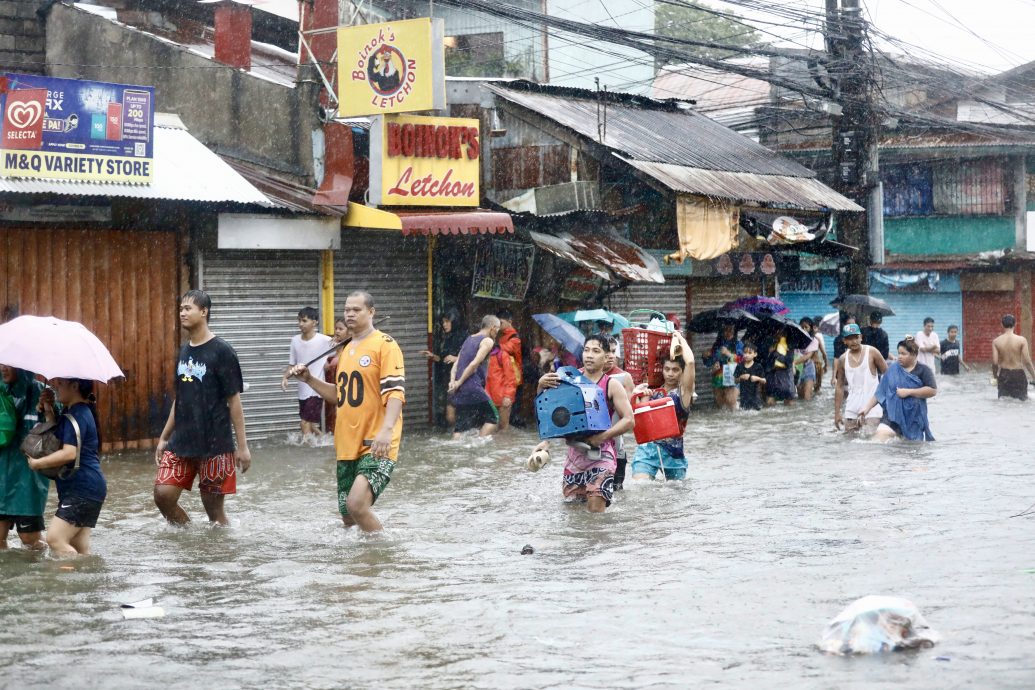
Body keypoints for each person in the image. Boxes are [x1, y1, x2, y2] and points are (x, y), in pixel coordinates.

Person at [291, 291, 404, 532]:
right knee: (348, 519)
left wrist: (386, 430)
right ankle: (356, 563)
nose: (350, 314)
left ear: (371, 312)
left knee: (357, 505)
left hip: (376, 443)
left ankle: (384, 557)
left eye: (357, 309)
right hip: (346, 445)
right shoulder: (345, 350)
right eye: (346, 310)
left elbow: (395, 393)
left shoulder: (385, 345)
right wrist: (309, 379)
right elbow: (339, 396)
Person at [154, 290, 251, 527]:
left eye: (188, 308)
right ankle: (188, 538)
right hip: (182, 441)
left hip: (215, 444)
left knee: (214, 513)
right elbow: (181, 399)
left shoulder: (222, 351)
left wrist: (243, 447)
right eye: (181, 309)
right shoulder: (184, 351)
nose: (182, 313)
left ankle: (215, 554)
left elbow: (234, 401)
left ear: (204, 312)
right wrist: (164, 437)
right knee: (162, 495)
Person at [533, 335, 634, 512]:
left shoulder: (611, 385)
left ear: (606, 356)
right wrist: (540, 385)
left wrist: (602, 437)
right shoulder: (568, 379)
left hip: (602, 455)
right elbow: (551, 411)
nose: (589, 355)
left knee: (595, 514)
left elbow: (629, 420)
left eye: (596, 351)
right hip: (574, 457)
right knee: (575, 516)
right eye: (586, 350)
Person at [28, 378, 105, 555]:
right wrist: (48, 412)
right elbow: (61, 437)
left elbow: (69, 453)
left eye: (60, 384)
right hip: (89, 487)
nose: (56, 387)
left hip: (82, 488)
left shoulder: (75, 415)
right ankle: (87, 578)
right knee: (78, 545)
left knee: (55, 539)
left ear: (75, 386)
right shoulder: (75, 412)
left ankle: (69, 581)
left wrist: (37, 463)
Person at [630, 332, 695, 480]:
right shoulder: (652, 391)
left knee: (675, 496)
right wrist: (641, 396)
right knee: (641, 489)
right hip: (648, 450)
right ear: (662, 369)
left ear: (682, 372)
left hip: (674, 452)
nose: (670, 373)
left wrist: (680, 338)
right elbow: (641, 422)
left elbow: (690, 362)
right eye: (667, 369)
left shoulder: (684, 393)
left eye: (675, 370)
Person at [0, 366, 49, 549]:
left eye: (8, 364)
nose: (3, 368)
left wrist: (49, 410)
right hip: (1, 477)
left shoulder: (42, 393)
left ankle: (42, 572)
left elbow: (58, 433)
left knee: (30, 540)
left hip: (28, 481)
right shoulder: (0, 392)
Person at [859, 337, 936, 442]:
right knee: (877, 440)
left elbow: (932, 391)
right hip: (892, 416)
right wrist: (866, 408)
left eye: (903, 354)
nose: (899, 357)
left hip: (913, 419)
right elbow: (880, 392)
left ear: (914, 354)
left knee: (911, 451)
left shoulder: (924, 370)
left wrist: (909, 392)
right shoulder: (892, 369)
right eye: (899, 353)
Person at [281, 306, 333, 440]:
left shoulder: (325, 340)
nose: (300, 324)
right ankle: (327, 443)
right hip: (302, 390)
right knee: (309, 424)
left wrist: (329, 365)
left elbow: (341, 350)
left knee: (304, 423)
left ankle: (307, 451)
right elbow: (292, 364)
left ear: (314, 322)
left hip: (316, 391)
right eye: (299, 321)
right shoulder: (295, 341)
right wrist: (285, 378)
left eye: (304, 321)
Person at [449, 315, 500, 439]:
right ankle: (479, 443)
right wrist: (459, 382)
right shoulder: (488, 341)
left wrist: (453, 382)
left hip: (460, 390)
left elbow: (456, 363)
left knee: (460, 427)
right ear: (493, 328)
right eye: (498, 329)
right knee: (494, 418)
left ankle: (456, 449)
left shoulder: (469, 339)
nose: (497, 333)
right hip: (474, 388)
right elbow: (474, 364)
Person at [833, 323, 888, 432]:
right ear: (844, 341)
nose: (854, 341)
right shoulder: (842, 359)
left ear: (861, 337)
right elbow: (839, 386)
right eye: (849, 338)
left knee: (871, 440)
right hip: (851, 406)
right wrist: (837, 413)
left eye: (856, 337)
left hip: (872, 406)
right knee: (850, 442)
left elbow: (889, 376)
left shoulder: (872, 352)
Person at [421, 308, 464, 430]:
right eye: (443, 322)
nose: (444, 324)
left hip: (460, 380)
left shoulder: (464, 336)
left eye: (447, 321)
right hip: (448, 380)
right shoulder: (446, 338)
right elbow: (443, 359)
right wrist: (432, 356)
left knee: (452, 415)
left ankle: (460, 435)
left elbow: (474, 359)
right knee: (450, 415)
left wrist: (456, 359)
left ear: (454, 321)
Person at [603, 335, 634, 489]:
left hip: (616, 449)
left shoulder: (623, 378)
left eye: (613, 351)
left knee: (615, 500)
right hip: (587, 450)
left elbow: (629, 418)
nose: (611, 356)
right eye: (606, 352)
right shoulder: (581, 376)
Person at [992, 314, 1035, 400]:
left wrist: (995, 376)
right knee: (1021, 403)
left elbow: (995, 363)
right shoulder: (1022, 340)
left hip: (1004, 375)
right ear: (1015, 324)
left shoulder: (996, 341)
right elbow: (1027, 362)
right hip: (1018, 375)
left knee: (1003, 402)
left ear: (1002, 325)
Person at [496, 309, 523, 429]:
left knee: (512, 415)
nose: (498, 326)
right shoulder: (501, 335)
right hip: (504, 379)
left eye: (500, 323)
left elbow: (506, 348)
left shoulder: (515, 338)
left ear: (509, 321)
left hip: (513, 381)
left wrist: (490, 345)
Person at [323, 317, 351, 435]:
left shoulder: (351, 349)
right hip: (330, 390)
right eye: (336, 328)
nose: (337, 331)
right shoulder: (332, 346)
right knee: (330, 420)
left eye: (341, 329)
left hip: (343, 391)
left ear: (349, 332)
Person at [705, 323, 742, 411]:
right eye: (726, 330)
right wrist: (706, 357)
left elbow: (743, 360)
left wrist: (729, 354)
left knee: (731, 401)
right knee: (720, 406)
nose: (728, 333)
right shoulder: (717, 345)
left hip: (732, 376)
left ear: (734, 332)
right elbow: (709, 363)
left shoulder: (738, 344)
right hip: (718, 377)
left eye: (731, 330)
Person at [486, 338, 517, 430]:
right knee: (493, 428)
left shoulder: (502, 355)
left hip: (502, 398)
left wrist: (508, 396)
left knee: (503, 428)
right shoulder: (482, 356)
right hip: (488, 399)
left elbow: (511, 378)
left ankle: (505, 444)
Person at [766, 327, 796, 405]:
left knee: (789, 401)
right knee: (770, 402)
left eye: (782, 333)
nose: (779, 334)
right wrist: (770, 353)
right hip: (773, 377)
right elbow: (768, 363)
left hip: (786, 377)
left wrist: (777, 354)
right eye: (778, 332)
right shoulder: (771, 344)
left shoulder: (789, 346)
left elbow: (788, 362)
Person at [734, 342, 766, 411]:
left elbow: (764, 381)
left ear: (755, 354)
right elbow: (735, 381)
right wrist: (741, 377)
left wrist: (757, 378)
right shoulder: (739, 366)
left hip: (756, 400)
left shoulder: (758, 366)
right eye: (745, 353)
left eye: (749, 353)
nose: (747, 355)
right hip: (744, 399)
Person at [794, 317, 819, 401]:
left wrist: (794, 362)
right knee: (800, 395)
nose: (804, 329)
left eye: (806, 327)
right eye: (802, 327)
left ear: (810, 328)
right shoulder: (795, 340)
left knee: (807, 395)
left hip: (808, 367)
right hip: (797, 369)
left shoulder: (814, 340)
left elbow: (808, 356)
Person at [811, 315, 829, 393]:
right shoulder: (818, 336)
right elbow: (823, 352)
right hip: (817, 363)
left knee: (814, 385)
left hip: (816, 363)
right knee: (817, 386)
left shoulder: (817, 335)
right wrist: (826, 364)